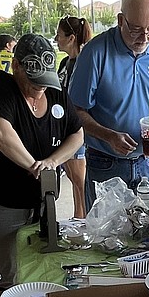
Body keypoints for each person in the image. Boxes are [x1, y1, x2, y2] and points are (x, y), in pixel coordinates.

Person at [0, 34, 84, 287]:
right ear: (16, 66)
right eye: (34, 81)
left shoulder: (55, 92)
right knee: (9, 274)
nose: (40, 87)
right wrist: (36, 167)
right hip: (2, 203)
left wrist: (52, 162)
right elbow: (0, 133)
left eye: (45, 81)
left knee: (41, 269)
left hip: (43, 203)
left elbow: (77, 134)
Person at [69, 0, 149, 206]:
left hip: (148, 164)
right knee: (106, 227)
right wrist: (108, 136)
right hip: (105, 163)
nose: (144, 38)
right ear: (121, 20)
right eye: (136, 29)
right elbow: (74, 110)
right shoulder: (95, 52)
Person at [55, 16, 92, 220]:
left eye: (59, 35)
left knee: (80, 180)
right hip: (63, 127)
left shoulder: (82, 64)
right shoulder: (65, 63)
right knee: (72, 176)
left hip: (76, 128)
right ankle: (78, 217)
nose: (56, 39)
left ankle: (82, 220)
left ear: (71, 38)